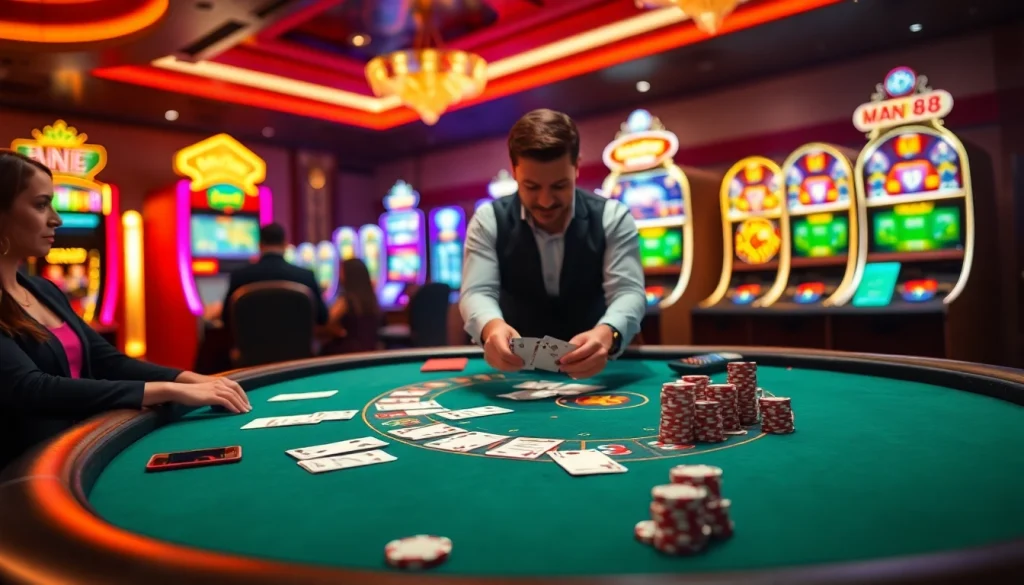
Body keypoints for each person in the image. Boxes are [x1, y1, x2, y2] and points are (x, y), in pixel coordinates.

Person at [0, 150, 251, 471]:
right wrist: (166, 390)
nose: (56, 219)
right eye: (40, 205)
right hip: (24, 471)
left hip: (75, 451)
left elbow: (107, 359)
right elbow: (33, 388)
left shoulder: (44, 289)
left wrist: (189, 378)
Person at [459, 109, 646, 379]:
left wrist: (608, 333)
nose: (546, 201)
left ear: (577, 166)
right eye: (532, 187)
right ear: (514, 171)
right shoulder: (489, 220)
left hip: (599, 371)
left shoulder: (612, 217)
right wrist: (491, 326)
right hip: (516, 372)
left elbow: (629, 291)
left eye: (559, 185)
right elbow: (477, 292)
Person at [219, 222, 328, 331]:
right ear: (285, 245)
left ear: (260, 245)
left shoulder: (239, 277)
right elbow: (323, 318)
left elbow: (226, 319)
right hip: (295, 347)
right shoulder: (306, 277)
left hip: (253, 347)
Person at [320, 258, 381, 355]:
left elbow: (326, 320)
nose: (339, 275)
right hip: (370, 350)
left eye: (341, 271)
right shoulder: (372, 298)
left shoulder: (346, 300)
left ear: (349, 274)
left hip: (347, 352)